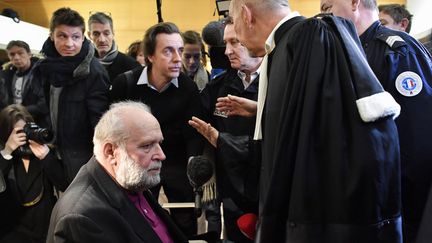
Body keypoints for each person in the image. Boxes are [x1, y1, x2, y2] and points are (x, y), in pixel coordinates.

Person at [228, 0, 403, 242]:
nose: (235, 35)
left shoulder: (309, 39)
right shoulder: (286, 46)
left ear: (247, 15)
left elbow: (324, 151)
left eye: (234, 23)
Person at [320, 0, 432, 241]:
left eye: (328, 8)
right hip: (365, 197)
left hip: (399, 202)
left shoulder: (396, 50)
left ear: (354, 3)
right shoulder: (348, 50)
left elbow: (417, 138)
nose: (324, 16)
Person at [46, 101, 188, 243]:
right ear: (111, 152)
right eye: (147, 146)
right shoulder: (81, 218)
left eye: (159, 143)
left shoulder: (131, 180)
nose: (161, 155)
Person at [110, 22, 203, 237]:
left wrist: (192, 163)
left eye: (179, 50)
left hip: (176, 162)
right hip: (137, 162)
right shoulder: (126, 84)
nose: (178, 59)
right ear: (150, 56)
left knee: (185, 220)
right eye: (168, 51)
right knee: (138, 218)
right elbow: (113, 131)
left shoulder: (188, 88)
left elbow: (193, 134)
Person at [195, 16, 262, 243]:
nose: (227, 51)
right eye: (226, 44)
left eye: (235, 42)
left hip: (270, 191)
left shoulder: (282, 82)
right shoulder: (217, 88)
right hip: (232, 192)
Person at [31, 7, 110, 184]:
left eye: (75, 37)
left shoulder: (93, 72)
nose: (69, 44)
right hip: (50, 149)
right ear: (52, 35)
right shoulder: (45, 67)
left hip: (82, 159)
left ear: (83, 37)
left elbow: (100, 124)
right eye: (62, 36)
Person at [0, 104, 67, 243]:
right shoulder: (6, 158)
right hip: (15, 231)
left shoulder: (41, 153)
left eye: (25, 130)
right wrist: (7, 151)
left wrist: (47, 157)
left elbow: (64, 184)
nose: (23, 137)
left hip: (45, 229)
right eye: (17, 133)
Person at [2, 40, 49, 127]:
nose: (16, 57)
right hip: (13, 122)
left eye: (20, 53)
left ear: (29, 54)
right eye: (12, 54)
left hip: (37, 123)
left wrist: (18, 111)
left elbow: (44, 105)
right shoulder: (6, 75)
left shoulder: (41, 73)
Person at [88, 12, 140, 83]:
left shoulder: (131, 66)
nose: (102, 40)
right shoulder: (82, 65)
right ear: (89, 35)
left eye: (106, 33)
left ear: (113, 33)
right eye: (96, 34)